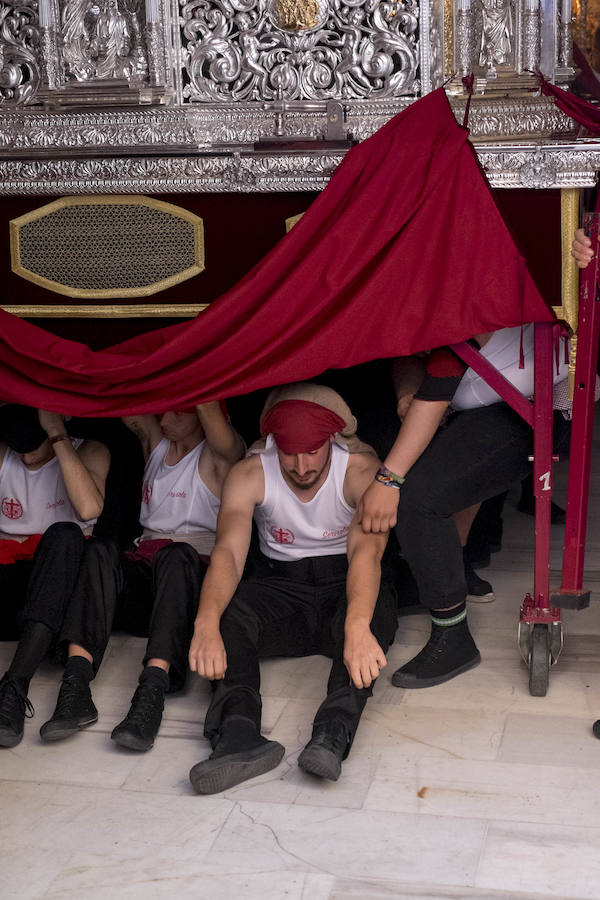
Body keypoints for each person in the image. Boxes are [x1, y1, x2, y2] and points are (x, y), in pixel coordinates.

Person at [187, 383, 398, 794]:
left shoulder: (359, 471)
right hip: (281, 588)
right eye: (288, 453)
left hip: (344, 585)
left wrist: (356, 627)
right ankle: (238, 735)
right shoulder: (249, 473)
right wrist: (206, 622)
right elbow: (228, 553)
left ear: (332, 440)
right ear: (271, 444)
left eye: (313, 451)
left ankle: (331, 734)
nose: (301, 466)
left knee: (372, 613)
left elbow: (365, 556)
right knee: (229, 612)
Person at [358, 323, 571, 688]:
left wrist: (388, 480)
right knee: (412, 455)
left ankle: (452, 637)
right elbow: (410, 355)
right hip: (474, 399)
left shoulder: (471, 288)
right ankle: (437, 574)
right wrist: (408, 393)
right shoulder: (418, 289)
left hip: (532, 405)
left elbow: (442, 375)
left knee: (416, 497)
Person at [40, 402, 244, 751]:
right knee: (101, 549)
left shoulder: (219, 455)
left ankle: (152, 691)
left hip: (188, 585)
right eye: (163, 411)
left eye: (177, 413)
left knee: (176, 555)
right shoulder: (157, 442)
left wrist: (201, 377)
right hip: (146, 582)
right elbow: (129, 395)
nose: (163, 420)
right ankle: (76, 684)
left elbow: (214, 415)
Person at [0, 404, 110, 748]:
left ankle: (14, 687)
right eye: (19, 448)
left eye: (33, 445)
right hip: (11, 586)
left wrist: (57, 435)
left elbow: (89, 509)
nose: (26, 456)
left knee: (66, 534)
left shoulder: (89, 450)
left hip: (62, 591)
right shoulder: (4, 454)